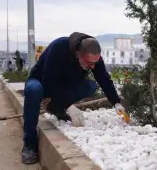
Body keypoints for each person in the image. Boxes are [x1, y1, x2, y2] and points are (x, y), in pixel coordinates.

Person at [21, 32, 126, 164]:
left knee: (90, 86)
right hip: (42, 81)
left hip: (64, 85)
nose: (92, 66)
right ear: (77, 54)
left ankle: (56, 108)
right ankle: (29, 144)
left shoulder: (92, 56)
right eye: (89, 63)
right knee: (33, 90)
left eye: (95, 62)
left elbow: (103, 78)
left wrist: (116, 102)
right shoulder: (58, 48)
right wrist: (69, 105)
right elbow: (49, 80)